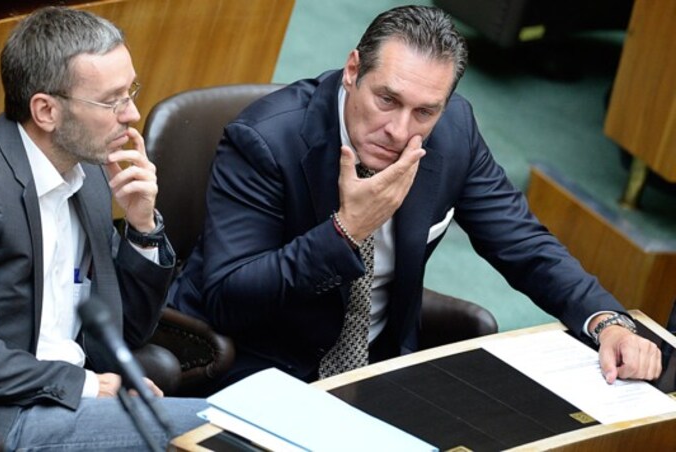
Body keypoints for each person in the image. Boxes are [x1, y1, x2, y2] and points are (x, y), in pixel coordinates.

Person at [169, 5, 662, 389]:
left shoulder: (452, 133)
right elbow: (228, 298)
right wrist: (345, 233)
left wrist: (606, 321)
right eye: (387, 99)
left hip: (380, 369)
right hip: (256, 362)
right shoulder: (265, 141)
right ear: (352, 69)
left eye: (425, 111)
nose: (399, 130)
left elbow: (523, 243)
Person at [0, 7, 206, 450]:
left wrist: (141, 226)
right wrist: (89, 387)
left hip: (66, 391)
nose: (131, 114)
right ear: (46, 110)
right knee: (217, 430)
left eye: (130, 91)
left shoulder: (88, 174)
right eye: (111, 101)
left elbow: (126, 333)